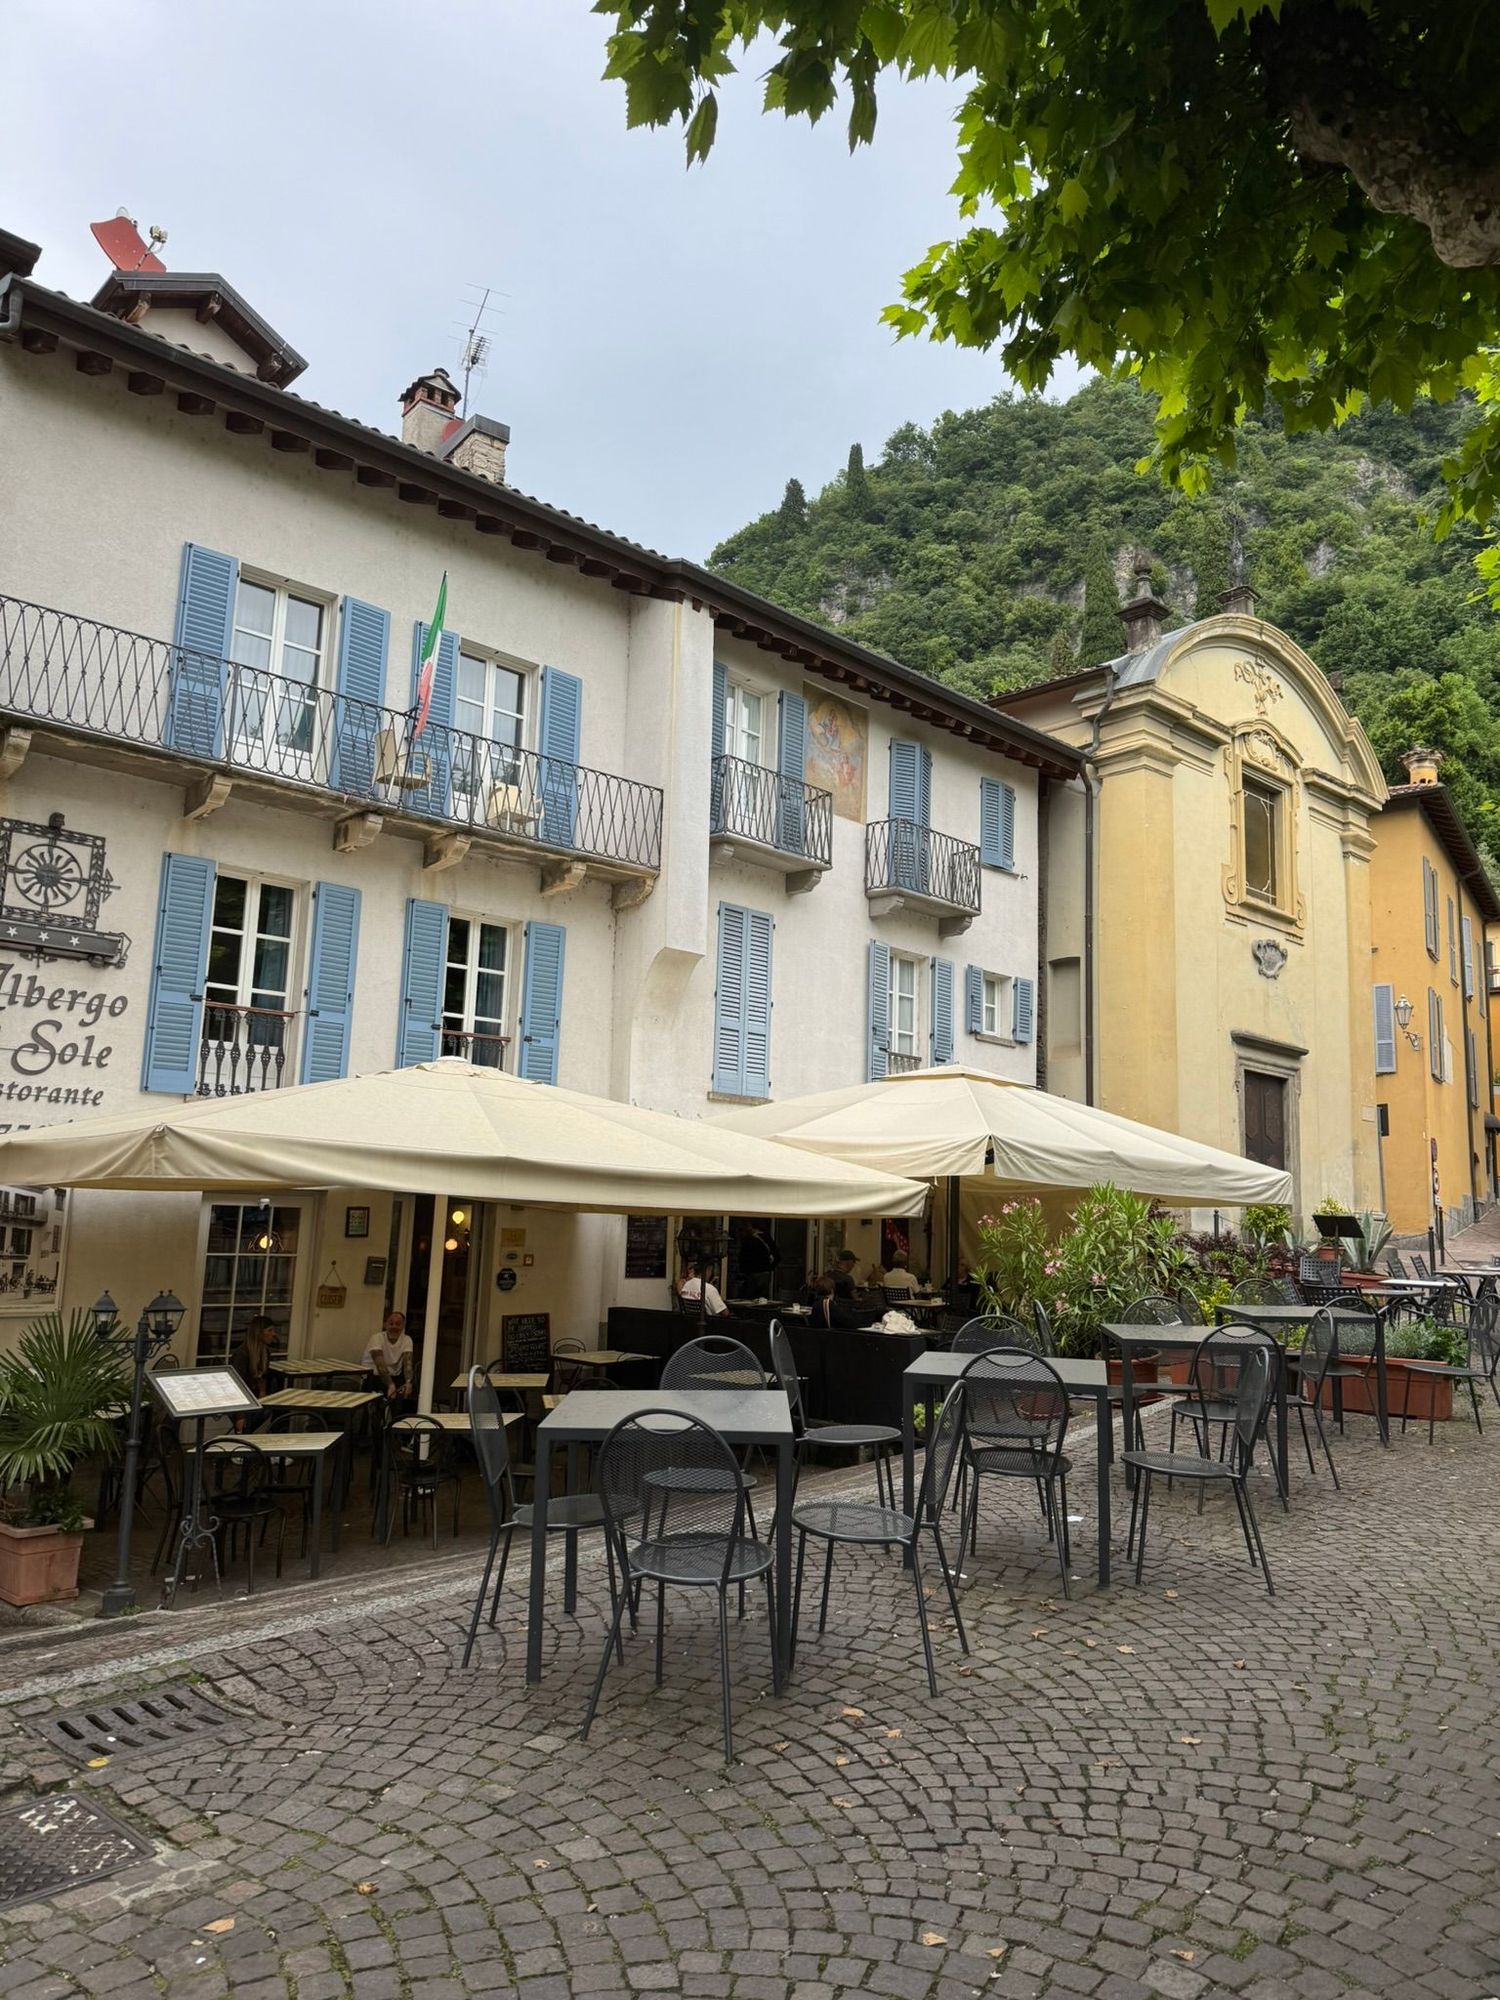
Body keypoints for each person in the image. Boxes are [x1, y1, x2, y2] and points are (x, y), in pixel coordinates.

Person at [364, 1309, 416, 1410]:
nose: (394, 1327)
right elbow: (380, 1365)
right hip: (374, 1376)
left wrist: (408, 1382)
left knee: (402, 1399)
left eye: (398, 1324)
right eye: (391, 1323)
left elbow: (408, 1363)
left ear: (403, 1326)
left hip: (395, 1375)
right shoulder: (377, 1338)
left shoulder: (407, 1340)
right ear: (385, 1325)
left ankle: (395, 1418)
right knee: (376, 1406)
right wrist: (390, 1384)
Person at [228, 1315, 274, 1398]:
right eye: (269, 1330)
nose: (273, 1334)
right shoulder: (242, 1354)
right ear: (259, 1333)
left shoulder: (265, 1352)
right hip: (244, 1396)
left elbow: (263, 1377)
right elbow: (237, 1383)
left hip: (258, 1394)